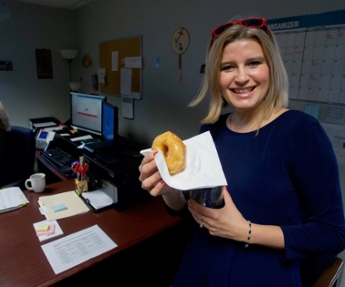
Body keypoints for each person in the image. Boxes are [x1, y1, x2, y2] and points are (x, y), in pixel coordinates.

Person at [139, 17, 345, 286]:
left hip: (263, 276)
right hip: (199, 270)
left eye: (253, 63)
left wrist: (244, 231)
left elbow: (332, 233)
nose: (241, 77)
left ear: (271, 67)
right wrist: (168, 188)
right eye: (228, 67)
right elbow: (188, 207)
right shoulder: (210, 131)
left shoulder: (301, 131)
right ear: (216, 76)